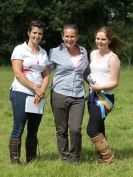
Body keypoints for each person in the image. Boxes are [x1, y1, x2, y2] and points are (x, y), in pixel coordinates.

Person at [9, 20, 50, 164]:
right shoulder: (19, 49)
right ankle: (15, 162)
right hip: (21, 92)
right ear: (28, 33)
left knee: (33, 129)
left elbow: (46, 74)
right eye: (34, 33)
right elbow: (18, 73)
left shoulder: (43, 52)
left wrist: (41, 91)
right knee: (19, 127)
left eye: (40, 33)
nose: (37, 36)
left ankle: (31, 161)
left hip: (38, 95)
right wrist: (35, 88)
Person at [49, 24, 89, 163]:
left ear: (77, 37)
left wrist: (97, 86)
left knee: (76, 129)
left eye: (72, 36)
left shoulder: (84, 51)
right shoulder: (54, 52)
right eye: (67, 36)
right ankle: (65, 158)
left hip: (78, 95)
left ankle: (75, 158)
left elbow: (86, 73)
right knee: (61, 129)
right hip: (59, 94)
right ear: (62, 37)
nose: (69, 39)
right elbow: (46, 71)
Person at [86, 26, 125, 164]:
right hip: (92, 96)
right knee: (99, 128)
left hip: (105, 98)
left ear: (109, 40)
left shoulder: (113, 58)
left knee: (91, 130)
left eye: (103, 39)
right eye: (98, 38)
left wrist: (99, 87)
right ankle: (102, 158)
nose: (100, 41)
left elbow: (115, 82)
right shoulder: (92, 53)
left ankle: (109, 158)